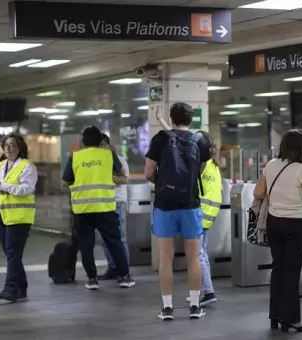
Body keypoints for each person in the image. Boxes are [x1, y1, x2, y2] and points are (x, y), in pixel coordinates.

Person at [145, 102, 210, 321]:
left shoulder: (160, 139)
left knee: (165, 257)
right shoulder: (200, 141)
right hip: (191, 204)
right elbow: (199, 171)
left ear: (172, 118)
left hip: (165, 204)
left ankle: (167, 308)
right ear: (191, 120)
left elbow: (147, 173)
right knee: (194, 257)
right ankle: (194, 305)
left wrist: (163, 179)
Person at [253, 128, 302, 333]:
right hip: (295, 224)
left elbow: (258, 192)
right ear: (299, 147)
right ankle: (291, 319)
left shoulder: (271, 165)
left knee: (278, 269)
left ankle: (275, 315)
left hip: (274, 223)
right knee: (291, 272)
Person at [62, 126, 135, 290]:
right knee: (114, 242)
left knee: (86, 245)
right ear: (100, 140)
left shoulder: (75, 157)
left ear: (83, 141)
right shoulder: (109, 155)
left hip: (82, 209)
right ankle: (124, 276)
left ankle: (92, 279)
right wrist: (106, 177)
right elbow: (123, 177)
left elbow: (65, 182)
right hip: (105, 207)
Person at [0, 133, 37, 303]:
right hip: (2, 214)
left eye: (13, 145)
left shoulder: (27, 166)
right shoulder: (0, 166)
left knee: (13, 253)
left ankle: (11, 288)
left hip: (19, 216)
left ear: (20, 148)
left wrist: (2, 186)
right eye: (6, 145)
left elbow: (26, 189)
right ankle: (21, 288)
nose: (8, 148)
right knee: (11, 253)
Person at [186, 131, 222, 306]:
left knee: (197, 255)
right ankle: (200, 290)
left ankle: (208, 292)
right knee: (202, 253)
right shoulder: (213, 164)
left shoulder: (200, 164)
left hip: (199, 214)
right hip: (209, 214)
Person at [98, 133, 131, 281]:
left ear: (107, 144)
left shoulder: (118, 159)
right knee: (104, 238)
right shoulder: (99, 161)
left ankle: (124, 269)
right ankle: (113, 267)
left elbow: (124, 179)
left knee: (120, 237)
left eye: (101, 145)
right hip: (103, 202)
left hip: (117, 201)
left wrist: (106, 179)